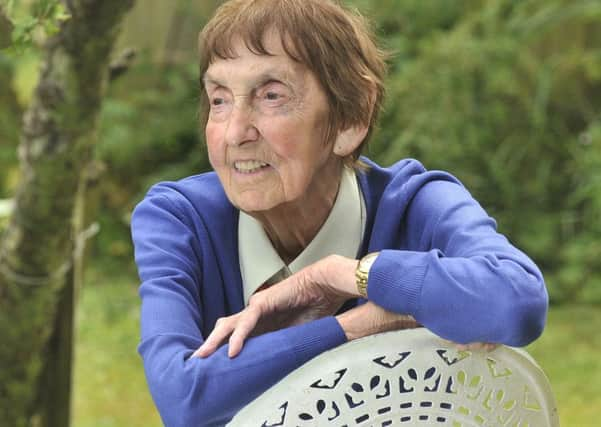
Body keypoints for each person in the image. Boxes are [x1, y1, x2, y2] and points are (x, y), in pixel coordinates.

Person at [130, 0, 548, 425]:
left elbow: (517, 301)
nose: (236, 132)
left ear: (352, 116)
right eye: (219, 100)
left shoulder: (416, 203)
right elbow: (182, 396)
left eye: (271, 95)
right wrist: (363, 325)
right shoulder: (178, 219)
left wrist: (344, 275)